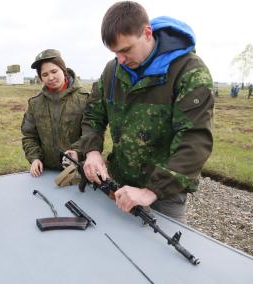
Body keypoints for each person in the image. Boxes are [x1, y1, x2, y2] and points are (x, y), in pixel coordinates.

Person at [79, 1, 214, 223]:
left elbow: (195, 141)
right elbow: (93, 114)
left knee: (161, 254)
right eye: (115, 53)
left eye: (125, 50)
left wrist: (150, 191)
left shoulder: (189, 72)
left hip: (164, 194)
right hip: (119, 183)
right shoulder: (112, 70)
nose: (120, 60)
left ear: (147, 33)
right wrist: (92, 151)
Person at [21, 49, 89, 176]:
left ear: (63, 70)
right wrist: (35, 158)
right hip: (46, 173)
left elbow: (92, 133)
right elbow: (29, 136)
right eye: (45, 75)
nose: (50, 78)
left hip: (80, 172)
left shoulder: (84, 98)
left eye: (54, 71)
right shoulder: (35, 103)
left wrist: (77, 152)